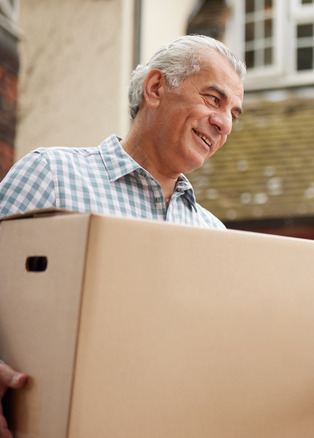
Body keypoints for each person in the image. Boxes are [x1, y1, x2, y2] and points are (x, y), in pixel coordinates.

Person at [0, 34, 246, 438]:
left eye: (234, 113)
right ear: (155, 89)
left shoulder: (214, 235)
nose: (224, 123)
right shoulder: (52, 174)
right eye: (213, 99)